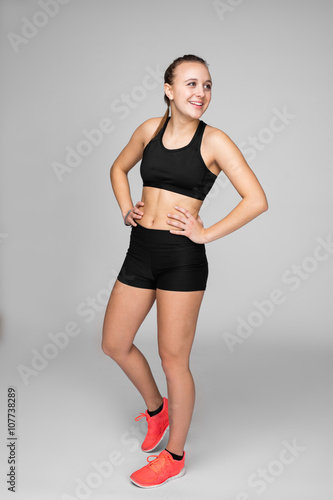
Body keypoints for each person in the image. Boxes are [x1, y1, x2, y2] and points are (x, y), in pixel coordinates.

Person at [101, 54, 268, 488]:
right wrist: (126, 209)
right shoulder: (148, 131)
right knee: (115, 343)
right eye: (192, 84)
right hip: (140, 251)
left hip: (181, 260)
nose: (201, 93)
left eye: (208, 85)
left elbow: (256, 199)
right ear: (169, 90)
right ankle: (157, 412)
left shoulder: (215, 142)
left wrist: (205, 233)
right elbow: (118, 169)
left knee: (174, 359)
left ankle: (174, 455)